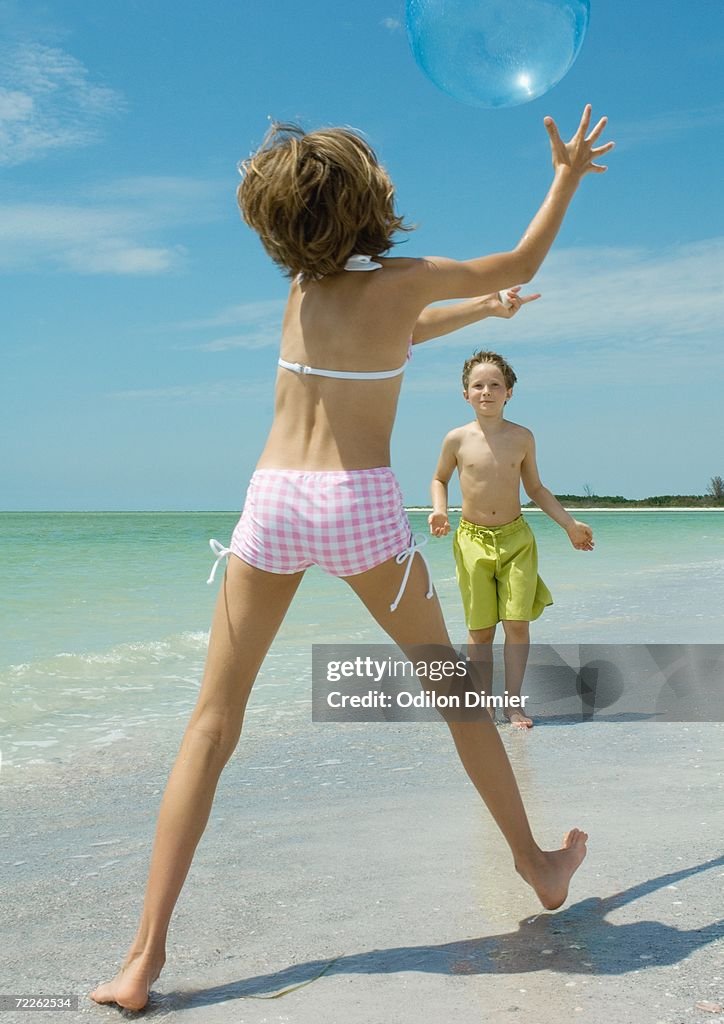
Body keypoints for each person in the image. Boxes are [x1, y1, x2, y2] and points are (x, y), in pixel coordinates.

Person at [91, 105, 613, 1011]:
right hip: (360, 509)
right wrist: (565, 175)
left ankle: (141, 962)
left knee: (211, 727)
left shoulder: (301, 293)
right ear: (373, 202)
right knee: (456, 696)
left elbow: (394, 338)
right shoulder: (401, 281)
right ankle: (535, 866)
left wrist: (475, 314)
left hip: (275, 502)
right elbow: (506, 271)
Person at [429, 350, 595, 728]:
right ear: (465, 393)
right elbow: (439, 478)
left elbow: (535, 488)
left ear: (509, 393)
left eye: (495, 385)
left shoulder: (522, 438)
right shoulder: (456, 439)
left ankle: (513, 704)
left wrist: (569, 525)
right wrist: (440, 509)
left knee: (517, 624)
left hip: (517, 539)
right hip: (471, 541)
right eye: (478, 385)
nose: (486, 391)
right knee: (481, 629)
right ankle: (483, 702)